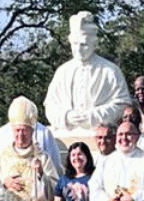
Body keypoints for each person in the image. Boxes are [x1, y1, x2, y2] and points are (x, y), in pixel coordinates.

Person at [43, 10, 134, 146]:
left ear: (94, 43)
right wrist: (66, 117)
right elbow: (50, 105)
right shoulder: (62, 72)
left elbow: (122, 104)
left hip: (101, 138)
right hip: (65, 137)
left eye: (83, 44)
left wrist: (93, 116)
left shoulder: (110, 71)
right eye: (74, 44)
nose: (78, 49)